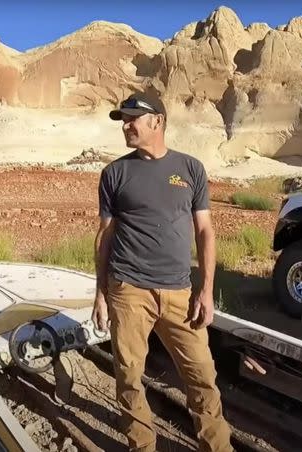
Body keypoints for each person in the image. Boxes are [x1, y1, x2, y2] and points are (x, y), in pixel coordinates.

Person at [91, 92, 233, 452]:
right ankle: (142, 446)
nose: (125, 125)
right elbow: (104, 236)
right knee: (128, 377)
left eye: (132, 118)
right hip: (128, 291)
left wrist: (206, 290)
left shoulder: (190, 169)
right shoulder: (115, 173)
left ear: (157, 121)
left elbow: (205, 231)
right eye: (122, 119)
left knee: (202, 376)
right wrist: (101, 294)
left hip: (179, 293)